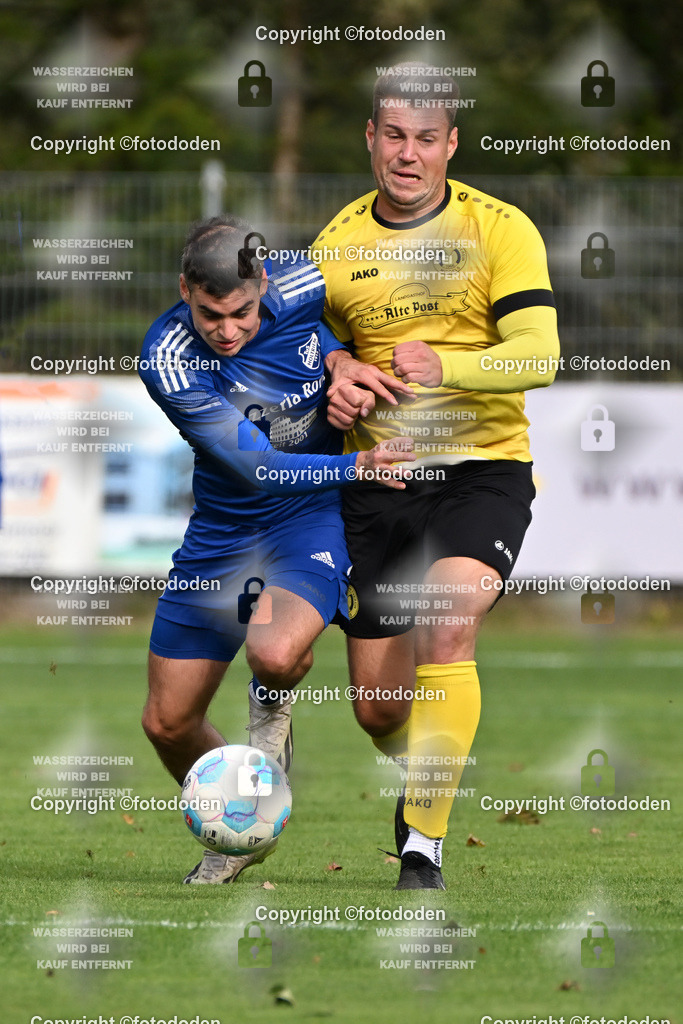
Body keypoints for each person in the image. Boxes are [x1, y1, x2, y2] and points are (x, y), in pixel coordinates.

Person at [312, 62, 560, 889]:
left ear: (450, 144)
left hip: (481, 472)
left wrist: (448, 366)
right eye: (394, 136)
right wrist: (337, 369)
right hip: (380, 483)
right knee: (379, 709)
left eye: (426, 138)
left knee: (447, 625)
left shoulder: (500, 228)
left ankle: (422, 848)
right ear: (371, 140)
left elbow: (540, 354)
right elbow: (301, 351)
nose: (408, 154)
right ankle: (422, 774)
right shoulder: (334, 243)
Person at [138, 215, 414, 884]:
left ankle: (268, 736)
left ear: (263, 285)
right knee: (167, 723)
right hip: (221, 536)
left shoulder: (302, 280)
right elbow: (256, 466)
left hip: (306, 521)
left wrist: (341, 356)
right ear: (184, 291)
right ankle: (244, 821)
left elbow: (357, 314)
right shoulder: (167, 357)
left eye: (241, 312)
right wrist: (356, 466)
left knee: (275, 652)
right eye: (210, 315)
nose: (226, 330)